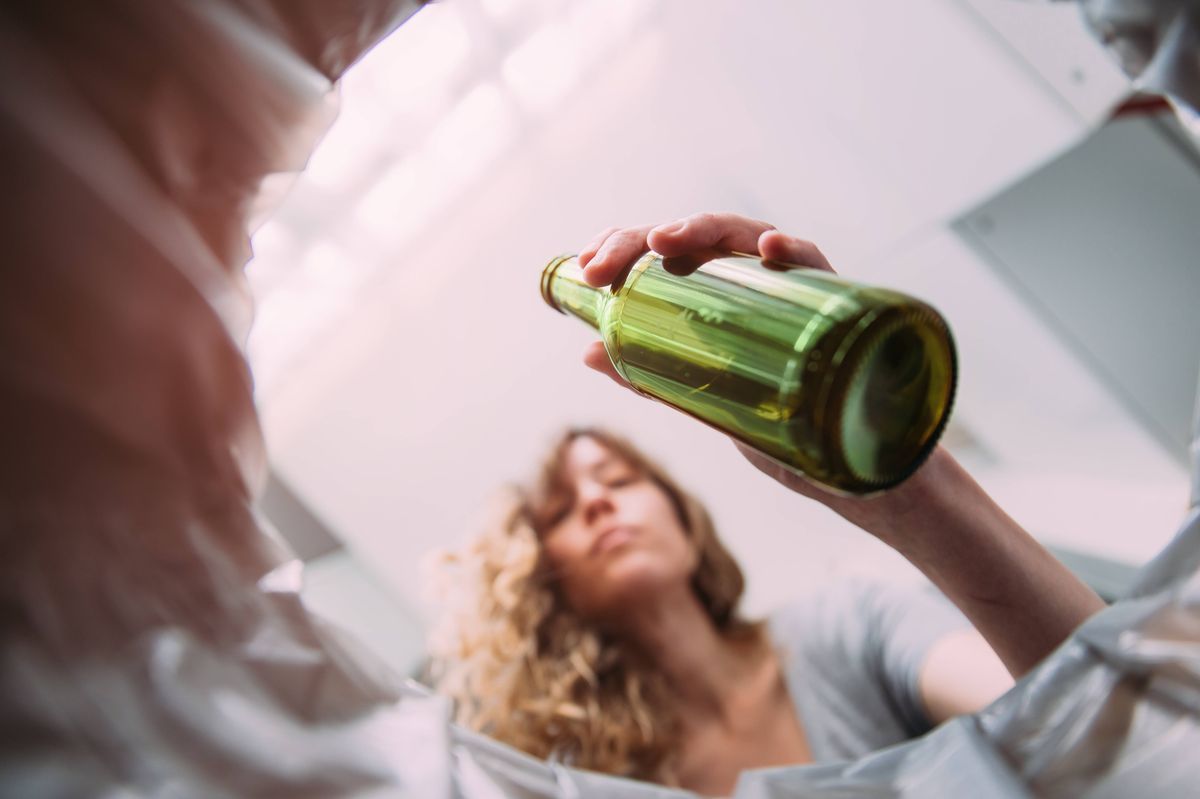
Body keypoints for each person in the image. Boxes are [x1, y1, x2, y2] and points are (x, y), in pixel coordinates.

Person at [434, 426, 1021, 795]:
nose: (596, 500)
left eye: (617, 478)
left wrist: (918, 500)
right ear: (543, 581)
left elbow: (1063, 688)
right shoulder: (592, 786)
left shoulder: (847, 622)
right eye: (561, 511)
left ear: (684, 521)